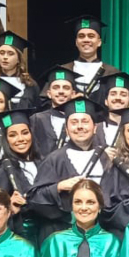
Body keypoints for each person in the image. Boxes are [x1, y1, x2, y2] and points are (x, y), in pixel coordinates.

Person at [27, 98, 111, 240]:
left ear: (95, 127)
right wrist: (58, 187)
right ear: (66, 129)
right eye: (74, 122)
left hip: (101, 235)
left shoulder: (107, 159)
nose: (79, 126)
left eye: (85, 121)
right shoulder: (54, 159)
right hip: (63, 235)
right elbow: (34, 199)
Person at [0, 109, 43, 244]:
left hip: (46, 232)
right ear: (6, 139)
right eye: (12, 135)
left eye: (25, 133)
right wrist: (11, 209)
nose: (20, 139)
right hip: (22, 237)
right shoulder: (4, 170)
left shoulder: (44, 163)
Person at [61, 15, 120, 95]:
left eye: (91, 36)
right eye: (81, 36)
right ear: (76, 42)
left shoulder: (112, 73)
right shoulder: (64, 71)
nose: (86, 40)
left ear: (99, 42)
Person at [30, 66, 82, 156]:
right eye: (56, 87)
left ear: (73, 94)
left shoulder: (81, 120)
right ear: (49, 94)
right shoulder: (37, 119)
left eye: (65, 87)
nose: (61, 91)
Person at [0, 30, 41, 110]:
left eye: (10, 53)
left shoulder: (30, 85)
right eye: (2, 53)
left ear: (18, 59)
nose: (5, 57)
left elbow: (37, 111)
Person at [93, 72, 129, 148]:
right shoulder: (94, 129)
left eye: (123, 95)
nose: (118, 98)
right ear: (106, 101)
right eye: (113, 94)